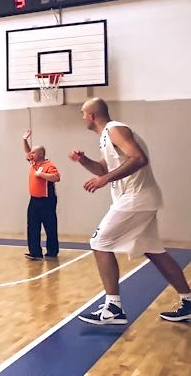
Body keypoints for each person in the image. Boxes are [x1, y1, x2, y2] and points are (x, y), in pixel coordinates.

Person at [71, 98, 190, 324]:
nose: (82, 117)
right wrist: (83, 160)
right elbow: (104, 168)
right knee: (154, 251)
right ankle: (189, 300)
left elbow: (139, 158)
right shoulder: (106, 136)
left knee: (99, 242)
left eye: (83, 113)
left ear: (92, 116)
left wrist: (105, 179)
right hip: (139, 200)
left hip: (135, 199)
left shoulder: (115, 129)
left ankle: (113, 308)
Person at [22, 130, 60, 260]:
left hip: (47, 200)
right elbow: (27, 152)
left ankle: (52, 252)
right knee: (32, 226)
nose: (31, 154)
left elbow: (56, 177)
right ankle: (35, 252)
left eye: (33, 152)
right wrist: (24, 140)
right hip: (34, 200)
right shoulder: (34, 163)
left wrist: (42, 174)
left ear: (41, 154)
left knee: (50, 226)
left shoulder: (49, 165)